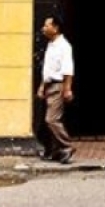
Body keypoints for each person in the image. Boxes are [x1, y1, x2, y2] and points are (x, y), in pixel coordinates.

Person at [36, 15, 75, 164]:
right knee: (49, 121)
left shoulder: (64, 46)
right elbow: (48, 70)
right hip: (49, 85)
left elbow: (68, 70)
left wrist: (67, 89)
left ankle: (67, 146)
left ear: (55, 28)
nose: (44, 28)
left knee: (51, 119)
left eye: (47, 25)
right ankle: (55, 151)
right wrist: (42, 87)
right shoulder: (51, 45)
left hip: (58, 86)